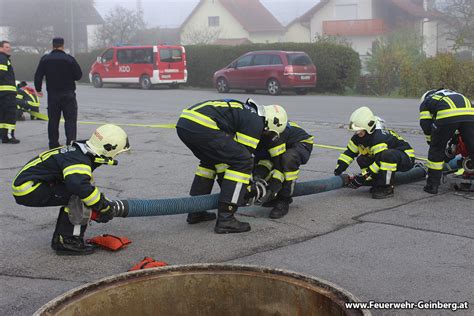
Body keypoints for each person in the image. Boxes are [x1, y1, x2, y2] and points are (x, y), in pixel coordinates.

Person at [12, 124, 130, 255]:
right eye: (117, 153)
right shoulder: (79, 159)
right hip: (29, 189)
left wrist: (102, 202)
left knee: (84, 193)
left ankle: (62, 239)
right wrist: (102, 206)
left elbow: (84, 184)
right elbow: (79, 187)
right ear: (109, 148)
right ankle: (69, 241)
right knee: (80, 197)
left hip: (30, 184)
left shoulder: (80, 150)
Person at [176, 98, 288, 234]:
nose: (265, 135)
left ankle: (196, 212)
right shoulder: (256, 122)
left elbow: (226, 159)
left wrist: (231, 185)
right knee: (243, 161)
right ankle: (226, 219)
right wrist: (248, 189)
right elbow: (242, 158)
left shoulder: (247, 112)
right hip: (203, 125)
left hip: (185, 123)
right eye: (268, 132)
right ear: (271, 122)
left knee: (209, 162)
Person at [334, 106, 415, 199]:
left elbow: (379, 161)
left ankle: (386, 187)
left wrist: (363, 177)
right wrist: (339, 170)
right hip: (385, 158)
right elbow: (348, 153)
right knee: (362, 159)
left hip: (405, 158)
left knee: (387, 155)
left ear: (368, 127)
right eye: (356, 131)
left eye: (359, 131)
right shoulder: (358, 137)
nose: (357, 133)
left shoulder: (378, 137)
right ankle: (376, 183)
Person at [253, 121, 313, 219]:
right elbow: (260, 159)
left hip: (300, 143)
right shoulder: (254, 132)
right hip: (281, 144)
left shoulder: (275, 133)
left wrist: (276, 181)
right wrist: (257, 177)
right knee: (263, 166)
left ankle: (284, 200)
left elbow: (279, 163)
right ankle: (272, 196)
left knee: (288, 159)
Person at [419, 89, 474, 194]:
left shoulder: (426, 102)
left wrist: (432, 142)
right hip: (470, 114)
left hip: (447, 115)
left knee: (436, 150)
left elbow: (425, 125)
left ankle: (432, 186)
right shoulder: (452, 93)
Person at [34, 37, 82, 149]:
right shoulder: (69, 59)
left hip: (53, 95)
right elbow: (78, 75)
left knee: (53, 120)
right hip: (68, 94)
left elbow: (38, 75)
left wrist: (38, 89)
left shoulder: (45, 59)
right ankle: (70, 144)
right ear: (62, 45)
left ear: (53, 45)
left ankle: (53, 143)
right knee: (70, 120)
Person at [0, 40, 20, 144]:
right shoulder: (2, 59)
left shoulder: (3, 58)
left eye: (9, 47)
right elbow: (1, 73)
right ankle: (9, 136)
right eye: (6, 47)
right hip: (7, 94)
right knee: (10, 114)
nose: (9, 48)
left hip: (3, 94)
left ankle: (4, 136)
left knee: (3, 115)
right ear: (1, 48)